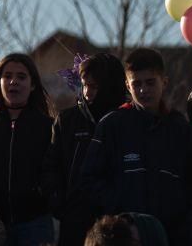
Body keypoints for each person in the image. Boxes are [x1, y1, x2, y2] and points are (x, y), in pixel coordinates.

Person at [81, 48, 192, 245]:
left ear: (164, 82)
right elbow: (89, 179)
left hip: (172, 234)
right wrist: (119, 209)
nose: (144, 90)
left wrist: (179, 211)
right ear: (127, 86)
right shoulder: (111, 125)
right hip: (124, 236)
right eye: (137, 84)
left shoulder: (181, 128)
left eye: (150, 82)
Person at [0, 53, 54, 245]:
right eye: (7, 76)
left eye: (21, 77)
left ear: (32, 85)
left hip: (35, 221)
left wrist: (42, 190)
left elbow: (56, 168)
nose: (13, 81)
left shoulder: (48, 127)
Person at [43, 52, 127, 246]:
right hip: (74, 221)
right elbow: (51, 166)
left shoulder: (125, 121)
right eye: (85, 84)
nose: (87, 92)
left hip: (116, 223)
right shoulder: (67, 121)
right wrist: (58, 202)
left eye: (94, 86)